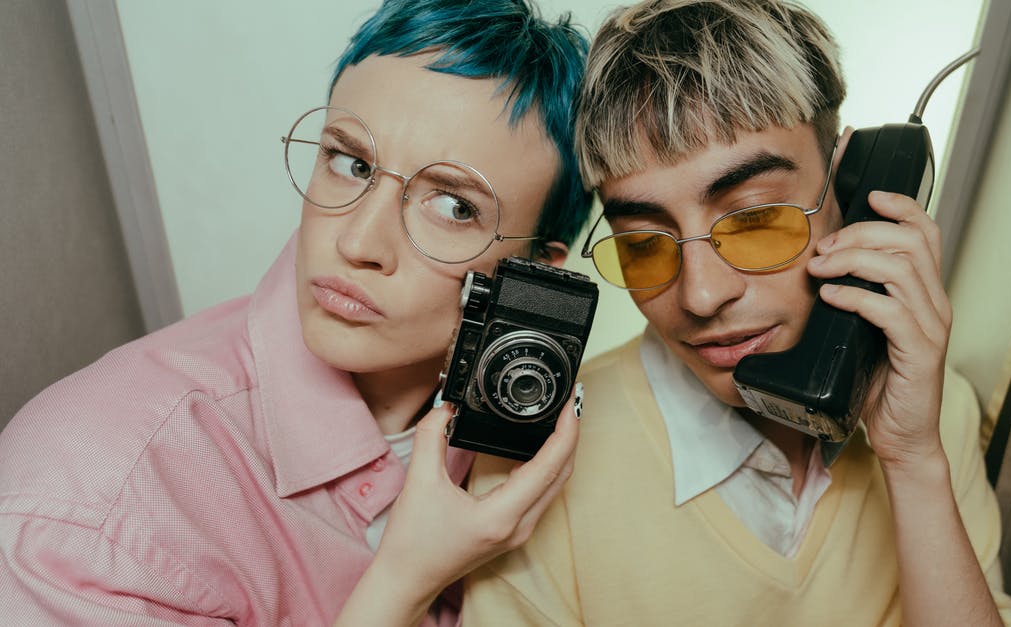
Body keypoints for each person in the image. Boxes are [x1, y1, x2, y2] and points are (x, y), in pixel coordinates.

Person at [0, 1, 592, 624]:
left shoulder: (513, 418)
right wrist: (404, 581)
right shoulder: (88, 508)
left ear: (536, 275)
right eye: (352, 163)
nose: (358, 243)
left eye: (452, 206)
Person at [463, 1, 1011, 625]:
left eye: (755, 220)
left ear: (848, 187)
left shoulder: (936, 416)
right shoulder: (533, 458)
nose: (701, 297)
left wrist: (913, 464)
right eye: (644, 244)